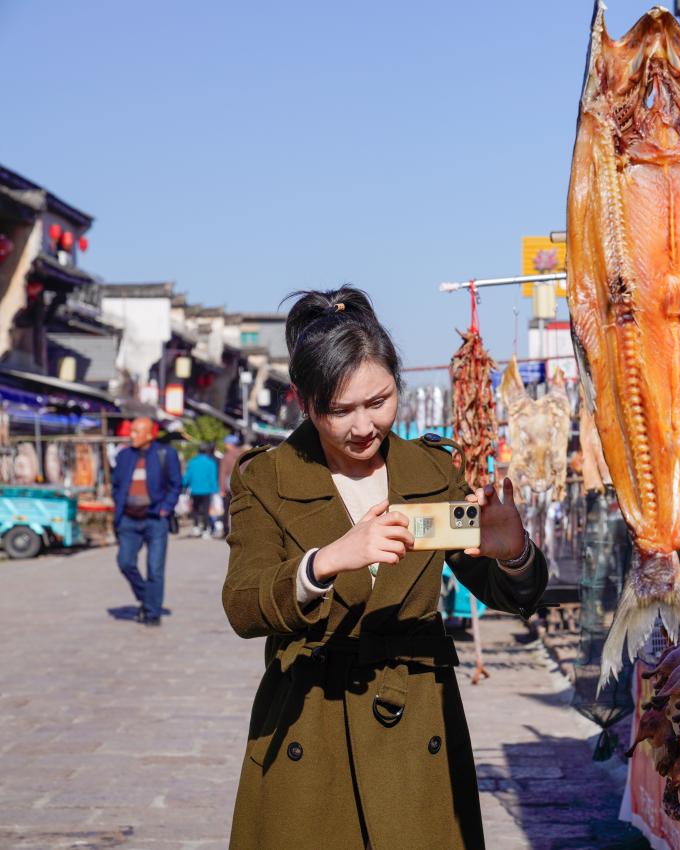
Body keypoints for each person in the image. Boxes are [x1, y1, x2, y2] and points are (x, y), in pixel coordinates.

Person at [222, 286, 548, 850]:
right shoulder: (265, 479)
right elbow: (244, 604)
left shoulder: (430, 470)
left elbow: (508, 592)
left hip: (416, 727)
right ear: (303, 402)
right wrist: (324, 563)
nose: (363, 426)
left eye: (379, 401)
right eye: (338, 411)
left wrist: (512, 552)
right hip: (309, 723)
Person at [111, 417, 182, 626]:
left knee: (155, 568)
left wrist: (165, 508)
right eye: (131, 431)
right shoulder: (124, 456)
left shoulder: (165, 454)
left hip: (155, 520)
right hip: (129, 520)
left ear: (150, 434)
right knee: (125, 562)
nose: (131, 435)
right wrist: (119, 505)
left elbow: (175, 484)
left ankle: (152, 614)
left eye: (136, 432)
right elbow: (116, 485)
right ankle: (147, 598)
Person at [182, 442, 219, 538]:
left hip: (194, 489)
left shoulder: (192, 462)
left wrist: (184, 484)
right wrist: (215, 490)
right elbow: (213, 478)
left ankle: (196, 527)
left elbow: (187, 476)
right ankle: (206, 530)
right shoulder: (211, 463)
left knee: (195, 509)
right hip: (206, 490)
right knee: (206, 510)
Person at [218, 434, 245, 536]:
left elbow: (222, 473)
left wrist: (221, 489)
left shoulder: (226, 456)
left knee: (226, 509)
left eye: (226, 443)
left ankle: (226, 530)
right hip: (241, 486)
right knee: (240, 508)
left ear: (230, 444)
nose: (225, 445)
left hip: (229, 486)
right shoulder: (243, 454)